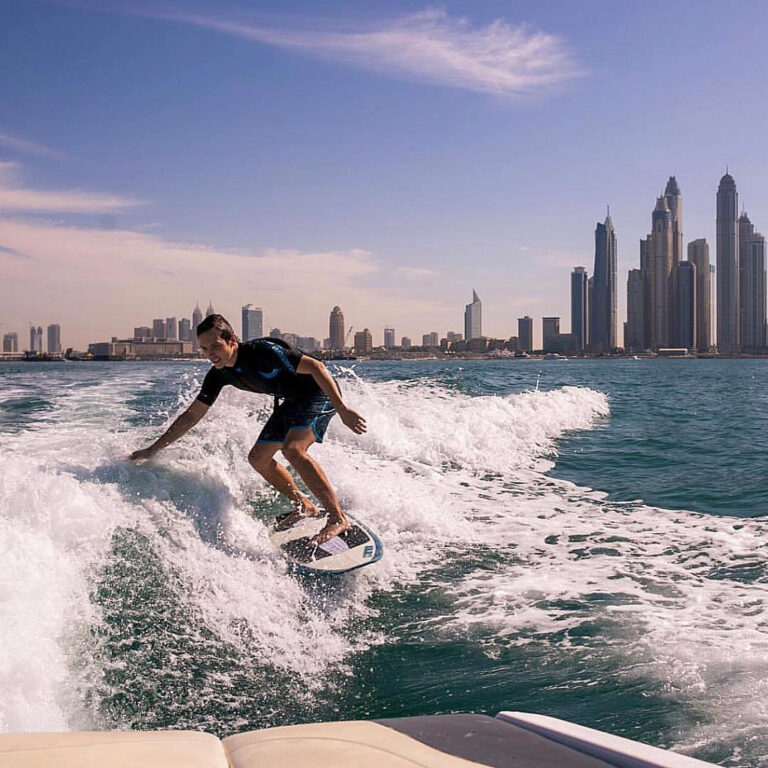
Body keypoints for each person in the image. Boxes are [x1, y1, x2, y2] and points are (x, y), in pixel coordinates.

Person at [130, 314, 366, 544]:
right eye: (204, 349)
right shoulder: (218, 375)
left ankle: (337, 518)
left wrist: (342, 409)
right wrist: (153, 449)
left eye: (215, 346)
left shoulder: (262, 352)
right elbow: (192, 415)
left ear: (232, 340)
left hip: (318, 392)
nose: (210, 354)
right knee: (258, 458)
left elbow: (316, 367)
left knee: (293, 449)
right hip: (293, 400)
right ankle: (304, 505)